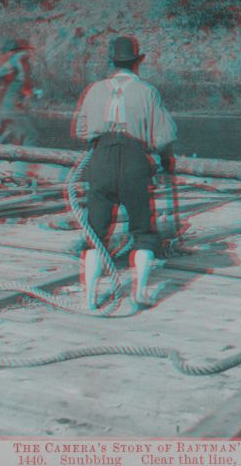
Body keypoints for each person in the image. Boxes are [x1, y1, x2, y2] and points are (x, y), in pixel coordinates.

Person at [72, 35, 177, 311]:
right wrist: (161, 156)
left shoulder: (93, 90)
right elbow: (165, 137)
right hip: (134, 161)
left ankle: (91, 296)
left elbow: (81, 133)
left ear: (112, 61)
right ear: (137, 62)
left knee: (96, 232)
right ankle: (140, 292)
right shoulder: (148, 91)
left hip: (101, 160)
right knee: (143, 230)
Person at [0, 39, 37, 145]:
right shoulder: (18, 57)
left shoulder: (10, 64)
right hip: (12, 107)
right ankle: (27, 160)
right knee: (30, 135)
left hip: (7, 107)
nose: (6, 55)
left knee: (2, 133)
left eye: (6, 52)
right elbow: (23, 75)